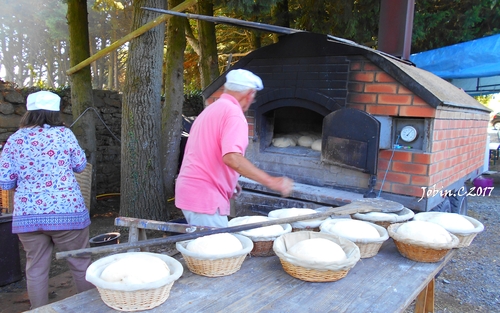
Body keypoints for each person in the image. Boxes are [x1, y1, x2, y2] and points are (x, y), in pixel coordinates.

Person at [0, 91, 94, 309]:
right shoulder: (64, 134)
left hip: (28, 217)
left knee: (35, 269)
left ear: (28, 112)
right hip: (67, 214)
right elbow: (80, 166)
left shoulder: (14, 140)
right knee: (80, 264)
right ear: (55, 112)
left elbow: (5, 182)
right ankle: (89, 308)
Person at [175, 69, 293, 228]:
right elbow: (232, 157)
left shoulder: (211, 110)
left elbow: (203, 151)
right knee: (219, 251)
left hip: (190, 191)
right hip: (206, 197)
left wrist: (228, 180)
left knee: (202, 248)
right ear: (250, 94)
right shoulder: (233, 114)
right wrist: (271, 181)